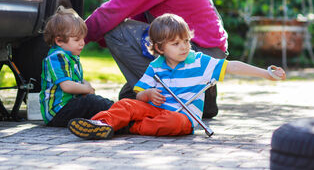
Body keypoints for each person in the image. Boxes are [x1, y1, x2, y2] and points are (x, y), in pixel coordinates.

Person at [85, 0, 228, 118]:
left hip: (198, 51)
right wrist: (97, 38)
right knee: (127, 95)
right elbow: (129, 19)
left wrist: (75, 37)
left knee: (115, 32)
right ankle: (200, 99)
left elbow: (111, 14)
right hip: (202, 52)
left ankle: (177, 96)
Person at [68, 14, 286, 139]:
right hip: (154, 110)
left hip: (182, 118)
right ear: (160, 48)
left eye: (186, 41)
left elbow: (233, 67)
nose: (183, 47)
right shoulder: (156, 66)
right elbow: (140, 95)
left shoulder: (199, 62)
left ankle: (126, 127)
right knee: (126, 103)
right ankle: (99, 125)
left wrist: (265, 73)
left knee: (169, 122)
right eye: (175, 44)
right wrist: (148, 94)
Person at [40, 7, 114, 127]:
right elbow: (67, 86)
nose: (82, 43)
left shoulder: (70, 57)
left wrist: (86, 87)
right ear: (59, 41)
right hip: (58, 112)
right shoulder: (57, 57)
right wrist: (87, 89)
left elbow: (76, 81)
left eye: (83, 39)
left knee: (94, 104)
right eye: (77, 39)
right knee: (92, 102)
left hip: (69, 107)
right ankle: (120, 114)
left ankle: (111, 120)